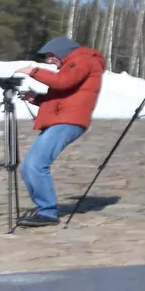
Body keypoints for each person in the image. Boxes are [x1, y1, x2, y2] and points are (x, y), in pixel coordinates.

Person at [12, 36, 104, 227]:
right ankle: (46, 209)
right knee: (31, 165)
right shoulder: (74, 64)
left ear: (62, 51)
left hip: (67, 121)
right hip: (62, 120)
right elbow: (63, 96)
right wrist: (36, 98)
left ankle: (47, 212)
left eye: (50, 56)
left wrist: (34, 71)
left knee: (35, 165)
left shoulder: (83, 60)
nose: (49, 61)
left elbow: (62, 83)